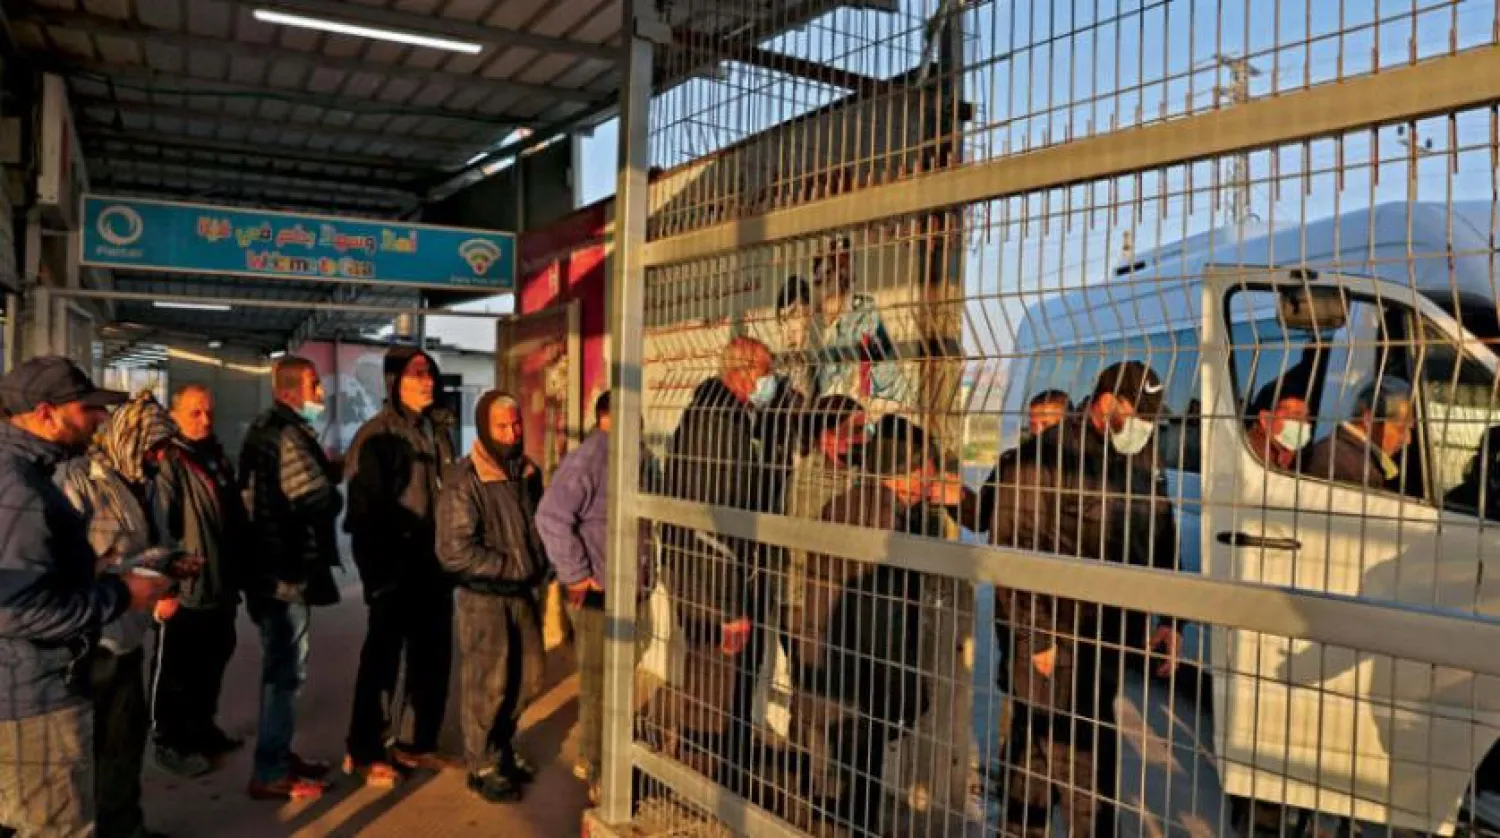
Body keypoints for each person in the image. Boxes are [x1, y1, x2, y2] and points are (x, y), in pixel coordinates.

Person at [987, 361, 1182, 838]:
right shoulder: (1045, 459)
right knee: (1082, 771)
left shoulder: (1139, 457)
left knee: (1041, 759)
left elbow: (1161, 533)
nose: (1146, 427)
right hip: (1058, 640)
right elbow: (1014, 552)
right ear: (1108, 402)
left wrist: (1172, 618)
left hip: (1109, 639)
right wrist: (1037, 640)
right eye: (1139, 413)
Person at [0, 357, 170, 837]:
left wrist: (85, 571)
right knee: (58, 826)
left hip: (31, 682)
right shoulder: (21, 488)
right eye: (87, 407)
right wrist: (120, 593)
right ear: (46, 412)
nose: (99, 418)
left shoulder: (26, 472)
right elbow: (17, 611)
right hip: (32, 692)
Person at [58, 393, 193, 838]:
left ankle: (126, 827)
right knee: (93, 749)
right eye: (153, 447)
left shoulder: (143, 482)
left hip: (132, 629)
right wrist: (137, 564)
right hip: (94, 640)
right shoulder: (79, 479)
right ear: (130, 438)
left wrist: (170, 565)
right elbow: (71, 564)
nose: (159, 457)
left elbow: (150, 542)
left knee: (126, 742)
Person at [799, 414, 941, 832]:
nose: (933, 482)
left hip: (832, 663)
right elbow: (886, 621)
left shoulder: (847, 502)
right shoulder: (887, 525)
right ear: (907, 473)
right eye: (928, 472)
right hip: (862, 679)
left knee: (835, 778)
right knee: (858, 786)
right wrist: (906, 694)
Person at [659, 336, 776, 795]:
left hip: (695, 576)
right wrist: (730, 607)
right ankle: (707, 790)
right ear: (745, 373)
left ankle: (706, 779)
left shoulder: (707, 413)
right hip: (710, 585)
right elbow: (716, 522)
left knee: (710, 684)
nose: (770, 383)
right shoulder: (719, 424)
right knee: (718, 690)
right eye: (766, 373)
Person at [342, 347, 458, 786]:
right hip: (394, 570)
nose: (428, 381)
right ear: (394, 383)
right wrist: (378, 577)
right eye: (417, 374)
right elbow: (362, 516)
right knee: (382, 664)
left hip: (435, 568)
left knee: (433, 660)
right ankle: (364, 748)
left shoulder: (439, 431)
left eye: (430, 373)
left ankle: (416, 743)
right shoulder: (375, 437)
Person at [535, 390, 658, 804]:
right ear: (609, 416)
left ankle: (597, 756)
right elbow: (551, 517)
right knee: (602, 685)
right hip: (600, 594)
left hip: (625, 590)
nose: (638, 422)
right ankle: (602, 770)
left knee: (613, 682)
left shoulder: (634, 456)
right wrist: (578, 575)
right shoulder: (591, 458)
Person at [437, 392, 549, 805]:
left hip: (522, 595)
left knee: (530, 677)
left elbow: (540, 528)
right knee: (489, 686)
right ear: (485, 427)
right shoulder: (465, 480)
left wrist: (542, 565)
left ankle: (501, 747)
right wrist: (512, 567)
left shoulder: (526, 473)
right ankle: (481, 763)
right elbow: (453, 551)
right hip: (483, 600)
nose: (512, 433)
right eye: (502, 427)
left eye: (516, 425)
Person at [238, 357, 342, 801]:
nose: (320, 392)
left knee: (280, 671)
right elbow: (315, 498)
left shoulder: (268, 429)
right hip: (283, 574)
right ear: (288, 392)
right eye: (314, 384)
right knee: (285, 674)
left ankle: (278, 752)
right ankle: (271, 769)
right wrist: (334, 487)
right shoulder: (286, 436)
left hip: (268, 570)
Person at [150, 384, 248, 778]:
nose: (205, 420)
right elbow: (162, 525)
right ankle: (170, 741)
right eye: (195, 413)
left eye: (208, 411)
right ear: (174, 416)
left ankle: (203, 728)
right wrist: (167, 586)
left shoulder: (215, 455)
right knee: (177, 669)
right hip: (187, 588)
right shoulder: (170, 459)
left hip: (220, 583)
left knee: (214, 659)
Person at [808, 237, 909, 411]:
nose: (817, 293)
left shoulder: (864, 317)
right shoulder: (822, 329)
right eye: (817, 281)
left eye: (822, 281)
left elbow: (864, 383)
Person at [1303, 377, 1415, 491]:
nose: (1407, 439)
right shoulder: (1348, 465)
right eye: (1401, 429)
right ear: (1369, 420)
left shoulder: (1339, 453)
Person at [1243, 379, 1313, 471]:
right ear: (1265, 419)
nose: (1305, 425)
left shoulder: (1281, 453)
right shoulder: (1253, 456)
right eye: (1295, 416)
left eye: (1306, 418)